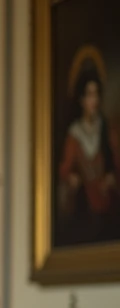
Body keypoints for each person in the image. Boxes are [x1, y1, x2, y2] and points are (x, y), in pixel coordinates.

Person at [56, 54, 120, 246]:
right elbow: (65, 171)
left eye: (96, 94)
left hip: (107, 203)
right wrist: (71, 179)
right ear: (81, 99)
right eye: (89, 95)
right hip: (84, 205)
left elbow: (116, 162)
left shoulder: (107, 129)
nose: (94, 100)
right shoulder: (74, 134)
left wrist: (111, 178)